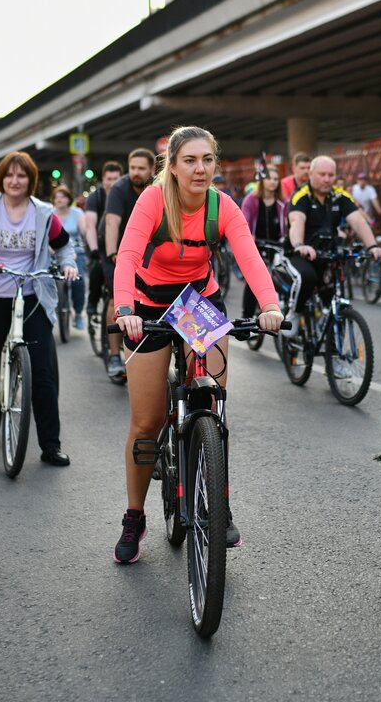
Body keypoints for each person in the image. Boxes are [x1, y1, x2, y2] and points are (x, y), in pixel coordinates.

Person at [112, 126, 283, 564]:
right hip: (148, 303)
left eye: (207, 159)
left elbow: (248, 255)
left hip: (197, 302)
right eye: (190, 160)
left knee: (213, 404)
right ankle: (135, 515)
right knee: (147, 421)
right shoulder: (153, 199)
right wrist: (125, 307)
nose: (200, 168)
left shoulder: (221, 205)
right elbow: (128, 254)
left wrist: (269, 305)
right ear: (172, 164)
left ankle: (215, 503)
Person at [0, 152, 78, 464]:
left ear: (30, 180)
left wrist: (68, 265)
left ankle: (50, 446)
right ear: (1, 178)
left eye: (21, 175)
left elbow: (65, 246)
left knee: (43, 374)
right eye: (9, 175)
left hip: (32, 295)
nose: (15, 181)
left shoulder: (43, 213)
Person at [286, 156, 381, 317]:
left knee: (333, 298)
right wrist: (299, 245)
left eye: (331, 175)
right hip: (301, 253)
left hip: (327, 253)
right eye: (322, 174)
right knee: (307, 278)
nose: (327, 179)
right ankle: (294, 313)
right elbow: (296, 221)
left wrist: (372, 246)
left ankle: (331, 331)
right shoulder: (300, 195)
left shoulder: (340, 196)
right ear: (310, 174)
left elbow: (358, 221)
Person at [103, 149, 156, 378]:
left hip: (147, 251)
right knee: (117, 299)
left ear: (152, 170)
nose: (136, 172)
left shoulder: (159, 187)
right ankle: (115, 356)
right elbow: (112, 224)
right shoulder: (119, 189)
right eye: (132, 167)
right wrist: (114, 254)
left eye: (141, 168)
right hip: (116, 248)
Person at [240, 165, 286, 319]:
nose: (272, 182)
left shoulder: (282, 202)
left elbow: (287, 224)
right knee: (254, 282)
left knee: (279, 278)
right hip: (256, 245)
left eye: (275, 179)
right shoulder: (251, 200)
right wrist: (248, 237)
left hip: (276, 246)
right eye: (268, 178)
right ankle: (247, 317)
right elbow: (244, 221)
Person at [79, 161, 122, 317]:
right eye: (109, 179)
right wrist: (95, 250)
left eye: (116, 179)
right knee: (97, 269)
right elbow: (90, 226)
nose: (112, 183)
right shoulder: (95, 197)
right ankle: (92, 302)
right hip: (98, 243)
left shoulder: (124, 194)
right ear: (103, 179)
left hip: (120, 245)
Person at [51, 185, 87, 329]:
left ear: (68, 199)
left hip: (76, 253)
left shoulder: (77, 213)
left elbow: (84, 232)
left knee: (79, 282)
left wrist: (89, 242)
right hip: (53, 253)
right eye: (56, 197)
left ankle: (78, 314)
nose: (59, 200)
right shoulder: (49, 214)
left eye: (63, 196)